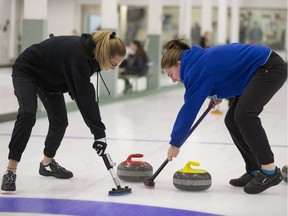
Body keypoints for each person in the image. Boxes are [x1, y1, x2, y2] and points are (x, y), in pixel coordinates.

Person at [1, 31, 126, 193]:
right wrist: (99, 133)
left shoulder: (92, 57)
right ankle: (11, 171)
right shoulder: (79, 56)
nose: (112, 68)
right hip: (27, 70)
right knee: (28, 113)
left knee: (60, 121)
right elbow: (85, 98)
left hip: (51, 79)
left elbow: (78, 87)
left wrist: (78, 95)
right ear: (104, 54)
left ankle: (47, 164)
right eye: (113, 64)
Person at [161, 39, 287, 194]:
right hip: (253, 72)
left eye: (171, 74)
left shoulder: (195, 70)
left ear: (179, 64)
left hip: (268, 67)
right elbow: (224, 72)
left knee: (244, 115)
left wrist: (175, 143)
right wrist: (217, 92)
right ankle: (255, 169)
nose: (173, 80)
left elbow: (189, 109)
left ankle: (269, 171)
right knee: (232, 120)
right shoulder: (196, 63)